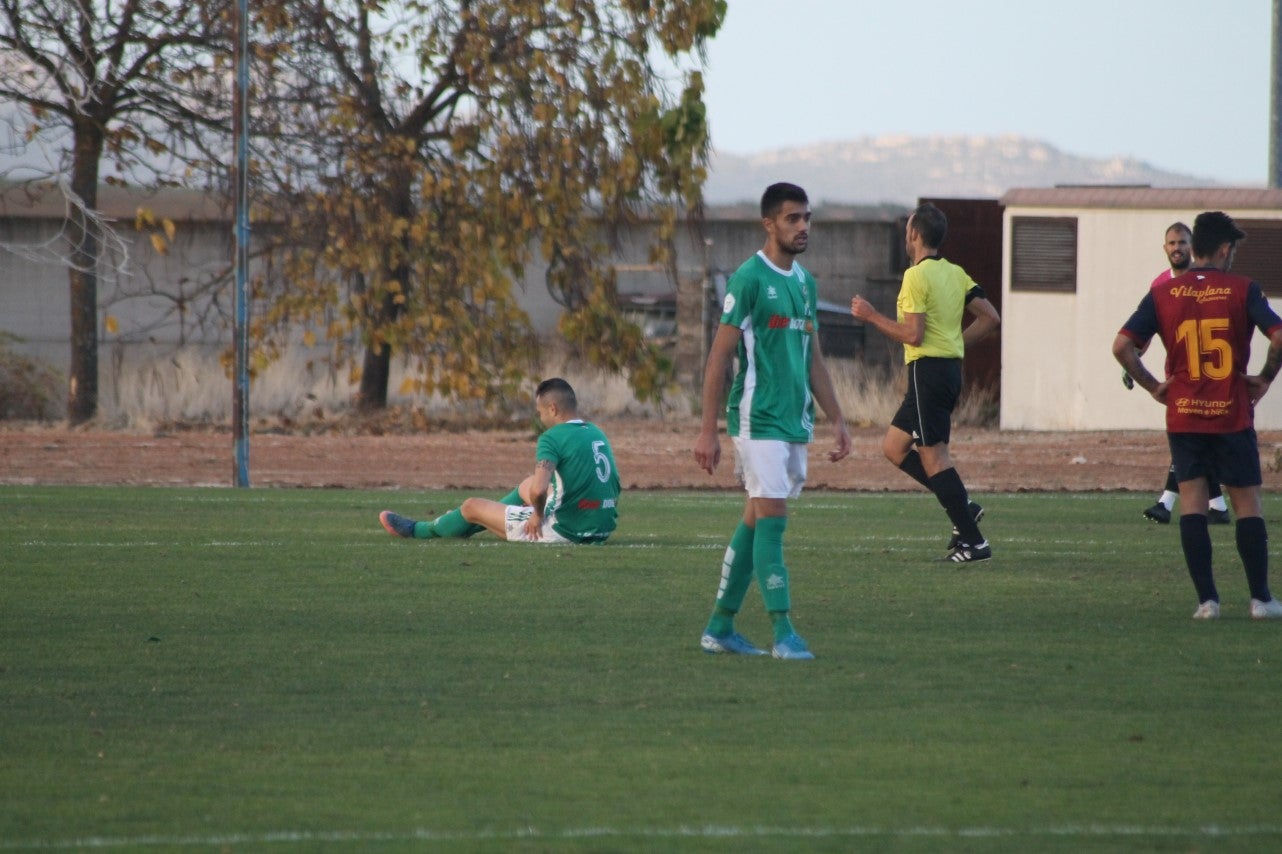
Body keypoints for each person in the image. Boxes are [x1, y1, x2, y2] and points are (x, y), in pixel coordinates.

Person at [694, 182, 852, 660]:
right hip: (756, 419)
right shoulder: (747, 280)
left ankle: (720, 627)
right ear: (769, 224)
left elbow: (815, 360)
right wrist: (707, 431)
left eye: (807, 218)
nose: (803, 227)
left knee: (755, 521)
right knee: (774, 523)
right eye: (792, 218)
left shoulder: (805, 283)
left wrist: (838, 420)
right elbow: (719, 358)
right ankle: (784, 631)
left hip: (792, 422)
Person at [1112, 211, 1282, 620]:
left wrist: (1154, 386)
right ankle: (1260, 600)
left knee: (1191, 503)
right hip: (1231, 414)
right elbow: (1279, 336)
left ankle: (1207, 602)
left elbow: (1122, 346)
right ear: (1224, 249)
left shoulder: (1164, 293)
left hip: (1184, 414)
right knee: (1247, 505)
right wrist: (1264, 377)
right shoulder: (1243, 289)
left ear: (1197, 246)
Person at [850, 202, 1001, 562]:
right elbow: (990, 317)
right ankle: (963, 505)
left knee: (934, 457)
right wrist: (954, 344)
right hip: (944, 372)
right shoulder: (953, 271)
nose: (906, 235)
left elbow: (913, 335)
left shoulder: (915, 276)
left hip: (928, 372)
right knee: (893, 447)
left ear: (914, 234)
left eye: (907, 230)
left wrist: (871, 316)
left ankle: (974, 541)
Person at [379, 377, 620, 544]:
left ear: (553, 409)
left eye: (540, 412)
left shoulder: (552, 437)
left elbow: (538, 492)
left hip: (565, 531)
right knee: (526, 484)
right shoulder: (596, 432)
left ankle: (420, 530)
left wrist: (537, 515)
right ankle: (471, 522)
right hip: (601, 526)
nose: (540, 417)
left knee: (471, 505)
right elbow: (613, 485)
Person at [1132, 223, 1231, 525]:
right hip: (1178, 374)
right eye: (1172, 242)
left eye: (1183, 242)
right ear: (1165, 247)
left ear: (1193, 247)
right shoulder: (1161, 284)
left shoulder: (1206, 281)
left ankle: (1167, 502)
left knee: (1191, 438)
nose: (1177, 248)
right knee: (1198, 441)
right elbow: (1144, 328)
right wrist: (1135, 361)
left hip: (1209, 376)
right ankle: (1217, 505)